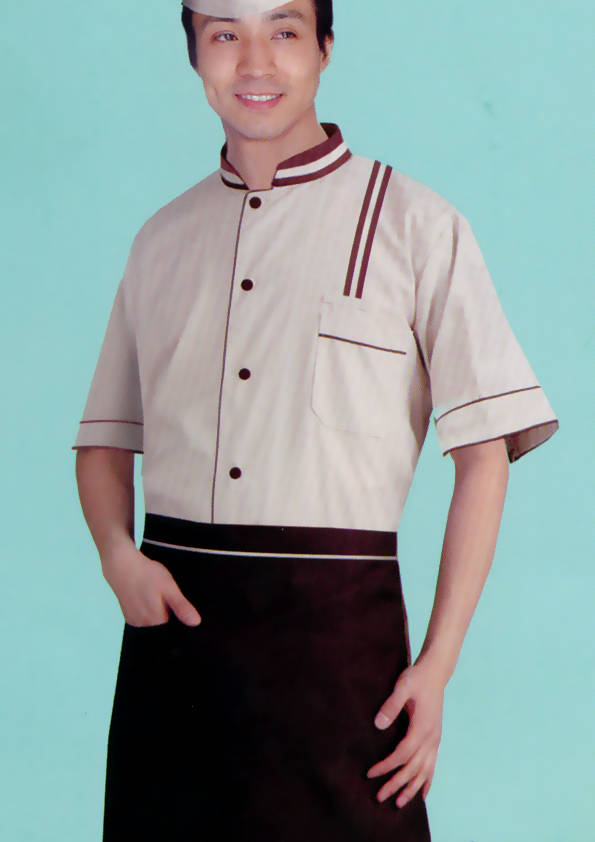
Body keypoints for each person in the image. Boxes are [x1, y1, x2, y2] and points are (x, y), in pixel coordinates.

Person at [72, 1, 559, 839]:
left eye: (285, 30)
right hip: (174, 646)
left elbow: (484, 456)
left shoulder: (416, 224)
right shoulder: (161, 239)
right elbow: (104, 440)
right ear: (193, 54)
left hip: (339, 646)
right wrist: (118, 556)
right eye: (224, 34)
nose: (255, 61)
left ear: (326, 48)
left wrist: (437, 665)